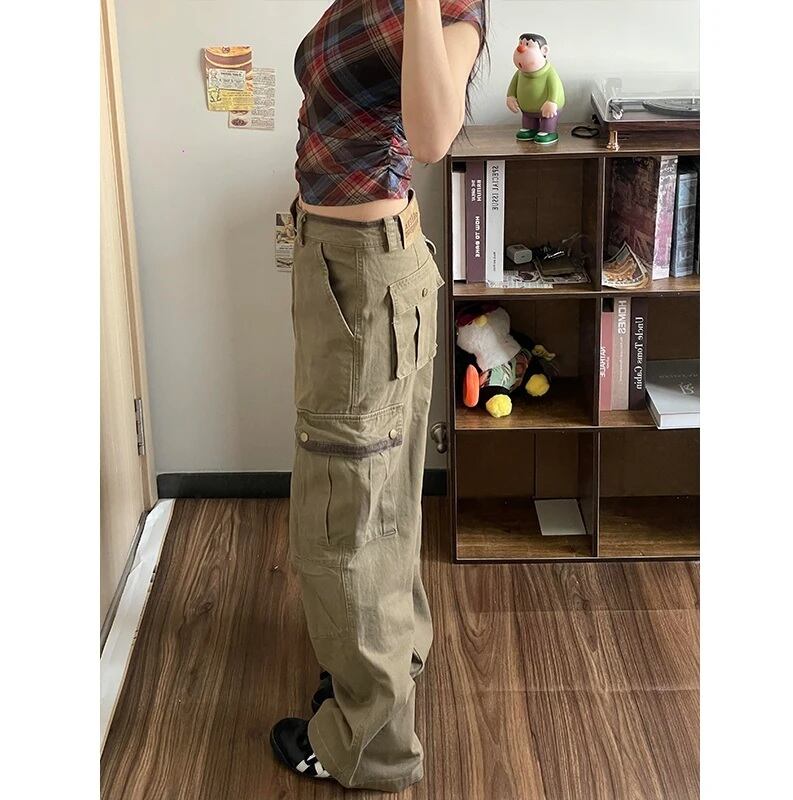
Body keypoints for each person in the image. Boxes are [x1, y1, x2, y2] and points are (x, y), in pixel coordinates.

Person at [269, 0, 488, 793]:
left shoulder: (454, 13)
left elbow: (431, 136)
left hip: (361, 276)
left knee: (343, 518)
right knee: (377, 497)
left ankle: (369, 747)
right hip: (350, 267)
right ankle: (391, 658)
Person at [506, 32, 565, 143]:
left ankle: (549, 131)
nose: (521, 48)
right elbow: (513, 86)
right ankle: (530, 128)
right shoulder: (520, 73)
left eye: (528, 44)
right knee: (528, 119)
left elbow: (555, 87)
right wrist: (511, 97)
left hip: (548, 109)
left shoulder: (549, 73)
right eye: (521, 43)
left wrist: (552, 102)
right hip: (527, 109)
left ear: (544, 50)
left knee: (548, 119)